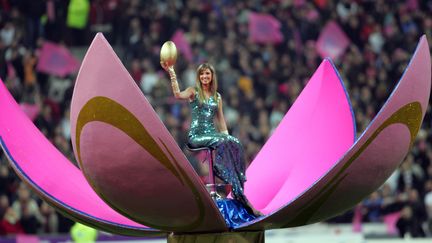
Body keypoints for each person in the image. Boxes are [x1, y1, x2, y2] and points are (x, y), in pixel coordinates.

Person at [161, 62, 260, 216]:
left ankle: (238, 186)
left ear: (212, 76)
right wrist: (172, 73)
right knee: (223, 141)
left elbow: (221, 121)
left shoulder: (217, 97)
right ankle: (220, 170)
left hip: (213, 135)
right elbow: (177, 95)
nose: (204, 76)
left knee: (236, 143)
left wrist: (228, 139)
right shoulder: (193, 91)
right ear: (198, 77)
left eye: (207, 73)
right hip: (196, 136)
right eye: (202, 74)